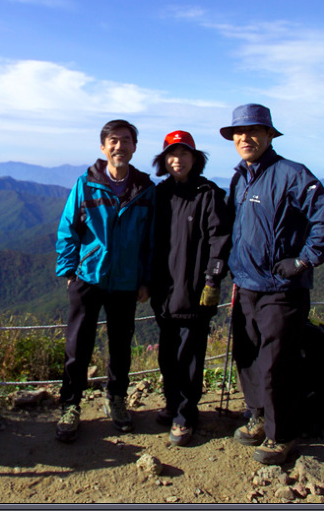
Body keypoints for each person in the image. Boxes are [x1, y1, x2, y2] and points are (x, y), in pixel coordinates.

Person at [220, 103, 324, 465]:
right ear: (233, 139)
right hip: (245, 284)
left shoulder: (291, 174)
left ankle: (282, 435)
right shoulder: (240, 178)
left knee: (277, 363)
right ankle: (258, 415)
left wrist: (303, 260)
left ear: (268, 135)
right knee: (248, 357)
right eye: (239, 133)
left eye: (253, 131)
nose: (246, 138)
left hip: (282, 290)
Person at [54, 119, 155, 443]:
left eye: (125, 140)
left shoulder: (145, 190)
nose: (119, 146)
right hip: (88, 276)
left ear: (134, 147)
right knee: (77, 346)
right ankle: (70, 405)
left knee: (121, 347)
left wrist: (145, 280)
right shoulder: (86, 184)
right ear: (103, 147)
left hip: (126, 281)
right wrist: (69, 271)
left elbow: (151, 241)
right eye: (113, 140)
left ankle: (117, 399)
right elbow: (68, 228)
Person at [148, 130, 232, 447]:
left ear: (195, 159)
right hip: (164, 292)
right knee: (168, 355)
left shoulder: (209, 195)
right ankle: (173, 404)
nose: (177, 159)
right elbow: (149, 243)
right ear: (164, 160)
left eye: (184, 154)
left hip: (195, 292)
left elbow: (219, 241)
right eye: (172, 154)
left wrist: (213, 280)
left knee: (190, 357)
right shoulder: (160, 194)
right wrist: (145, 281)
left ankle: (185, 417)